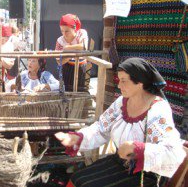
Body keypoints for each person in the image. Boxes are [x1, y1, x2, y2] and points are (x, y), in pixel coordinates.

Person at [55, 58, 186, 187]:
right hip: (120, 162)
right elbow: (101, 128)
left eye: (124, 81)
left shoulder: (157, 109)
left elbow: (172, 153)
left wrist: (138, 149)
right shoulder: (122, 102)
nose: (119, 85)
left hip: (146, 172)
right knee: (78, 178)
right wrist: (78, 137)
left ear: (140, 83)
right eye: (119, 80)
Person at [55, 14, 89, 92]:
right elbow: (59, 61)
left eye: (67, 31)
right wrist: (71, 55)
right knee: (67, 91)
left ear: (74, 28)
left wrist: (67, 48)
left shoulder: (81, 33)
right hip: (67, 68)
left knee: (81, 90)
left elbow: (84, 46)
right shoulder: (60, 40)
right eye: (62, 31)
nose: (64, 34)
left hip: (81, 67)